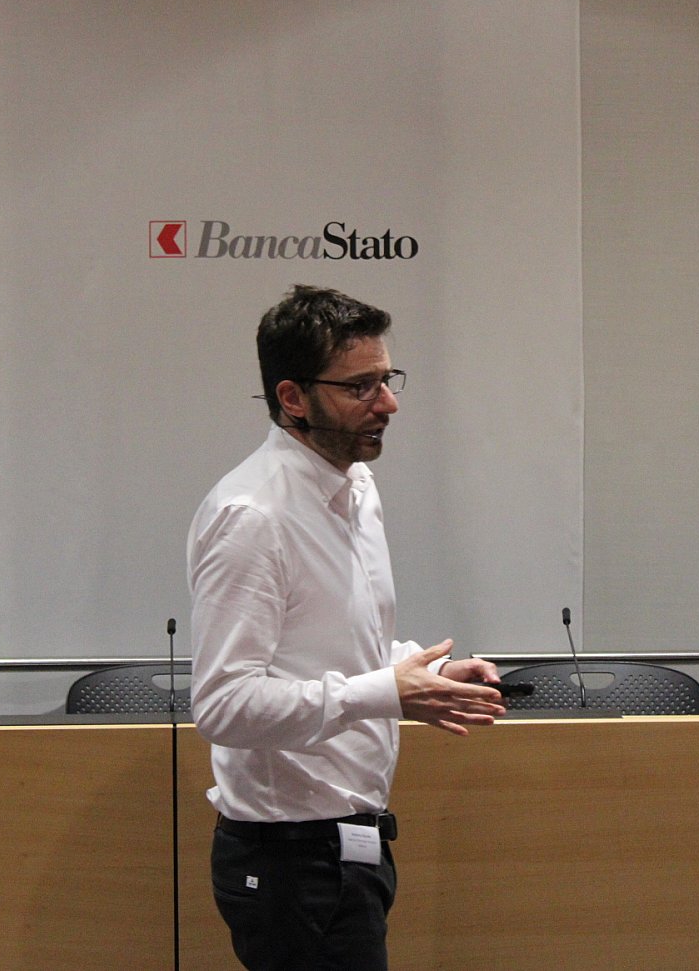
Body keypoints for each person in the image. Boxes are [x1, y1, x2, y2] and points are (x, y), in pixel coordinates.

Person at [188, 284, 505, 970]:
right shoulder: (253, 517)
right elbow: (222, 705)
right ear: (293, 397)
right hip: (288, 860)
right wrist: (388, 693)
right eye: (360, 387)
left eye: (387, 379)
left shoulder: (356, 487)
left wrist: (425, 673)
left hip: (352, 843)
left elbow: (337, 644)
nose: (387, 403)